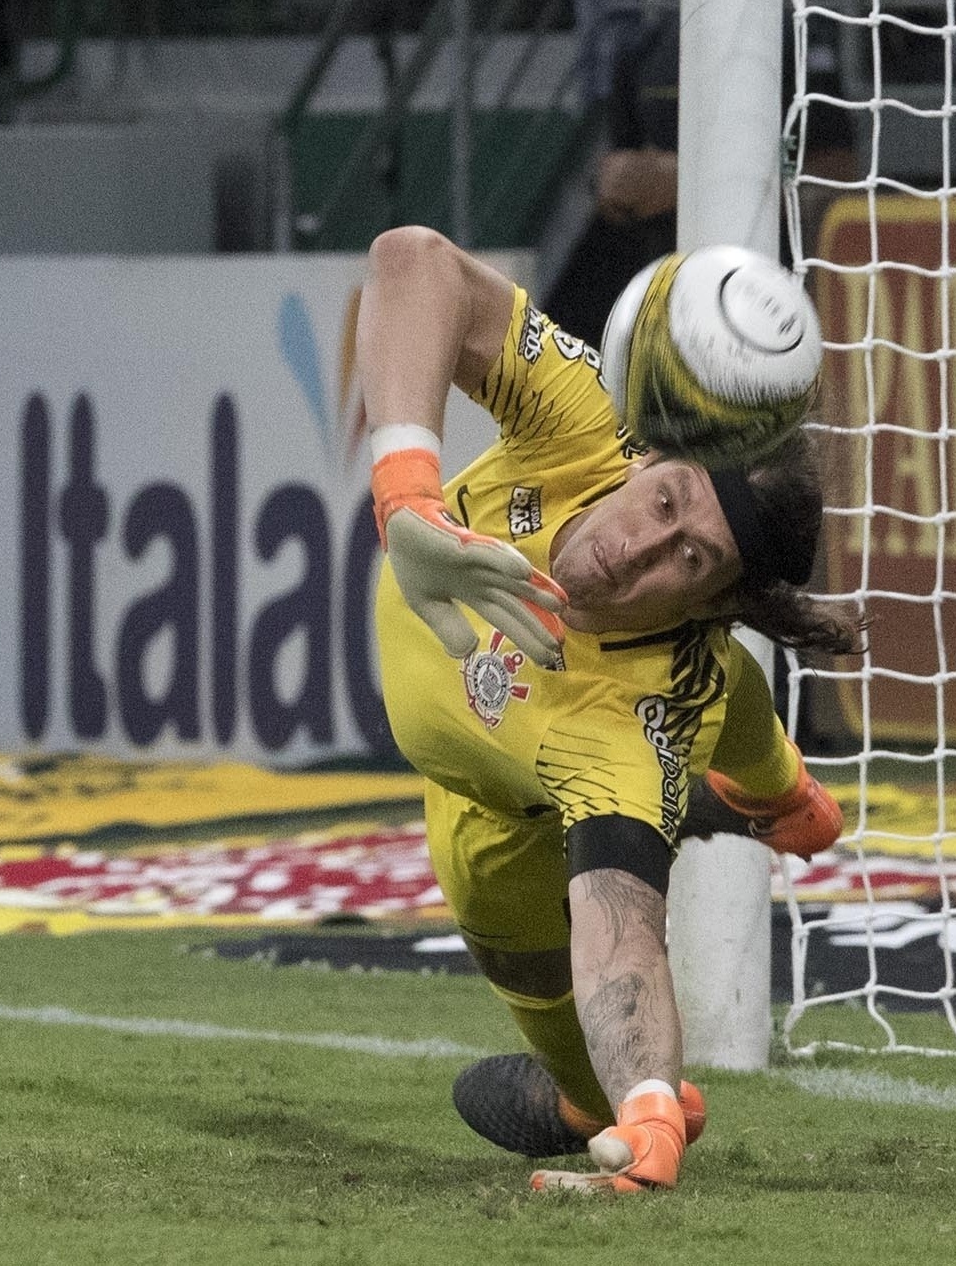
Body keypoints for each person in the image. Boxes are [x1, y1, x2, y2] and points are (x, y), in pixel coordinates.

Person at [358, 225, 864, 1193]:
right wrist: (407, 499)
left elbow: (625, 932)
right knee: (730, 721)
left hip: (512, 826)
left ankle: (782, 803)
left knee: (594, 1088)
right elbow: (409, 262)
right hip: (480, 759)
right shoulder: (588, 422)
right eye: (666, 503)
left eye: (692, 561)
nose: (642, 547)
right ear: (648, 462)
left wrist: (647, 1115)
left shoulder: (636, 735)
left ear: (713, 604)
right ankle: (785, 801)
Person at [543, 0, 857, 344]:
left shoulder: (797, 41)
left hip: (774, 301)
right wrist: (612, 187)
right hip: (670, 303)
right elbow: (620, 182)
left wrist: (686, 183)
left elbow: (841, 176)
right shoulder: (644, 49)